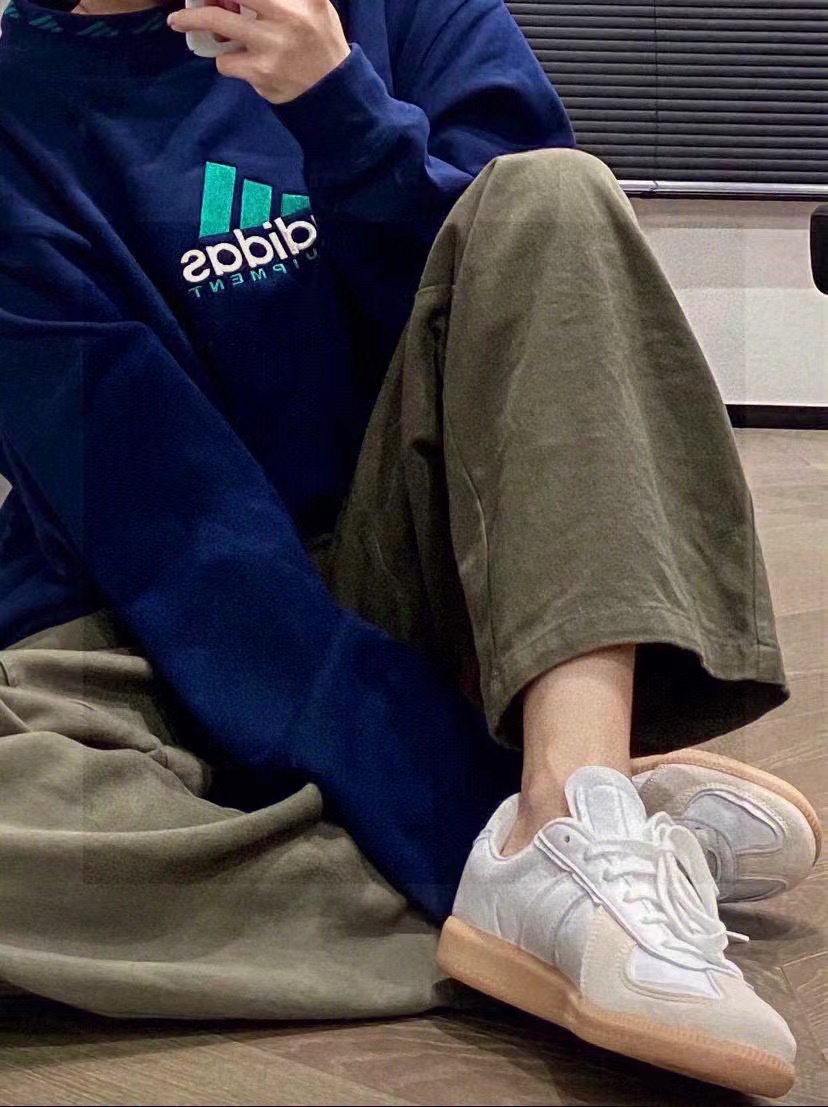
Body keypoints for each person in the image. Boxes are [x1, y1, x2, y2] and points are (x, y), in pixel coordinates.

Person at [0, 0, 819, 1096]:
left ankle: (562, 810)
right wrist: (445, 798)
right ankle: (547, 843)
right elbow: (173, 527)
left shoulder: (407, 10)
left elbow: (545, 309)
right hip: (154, 604)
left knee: (549, 195)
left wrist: (340, 115)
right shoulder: (16, 127)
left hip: (437, 557)